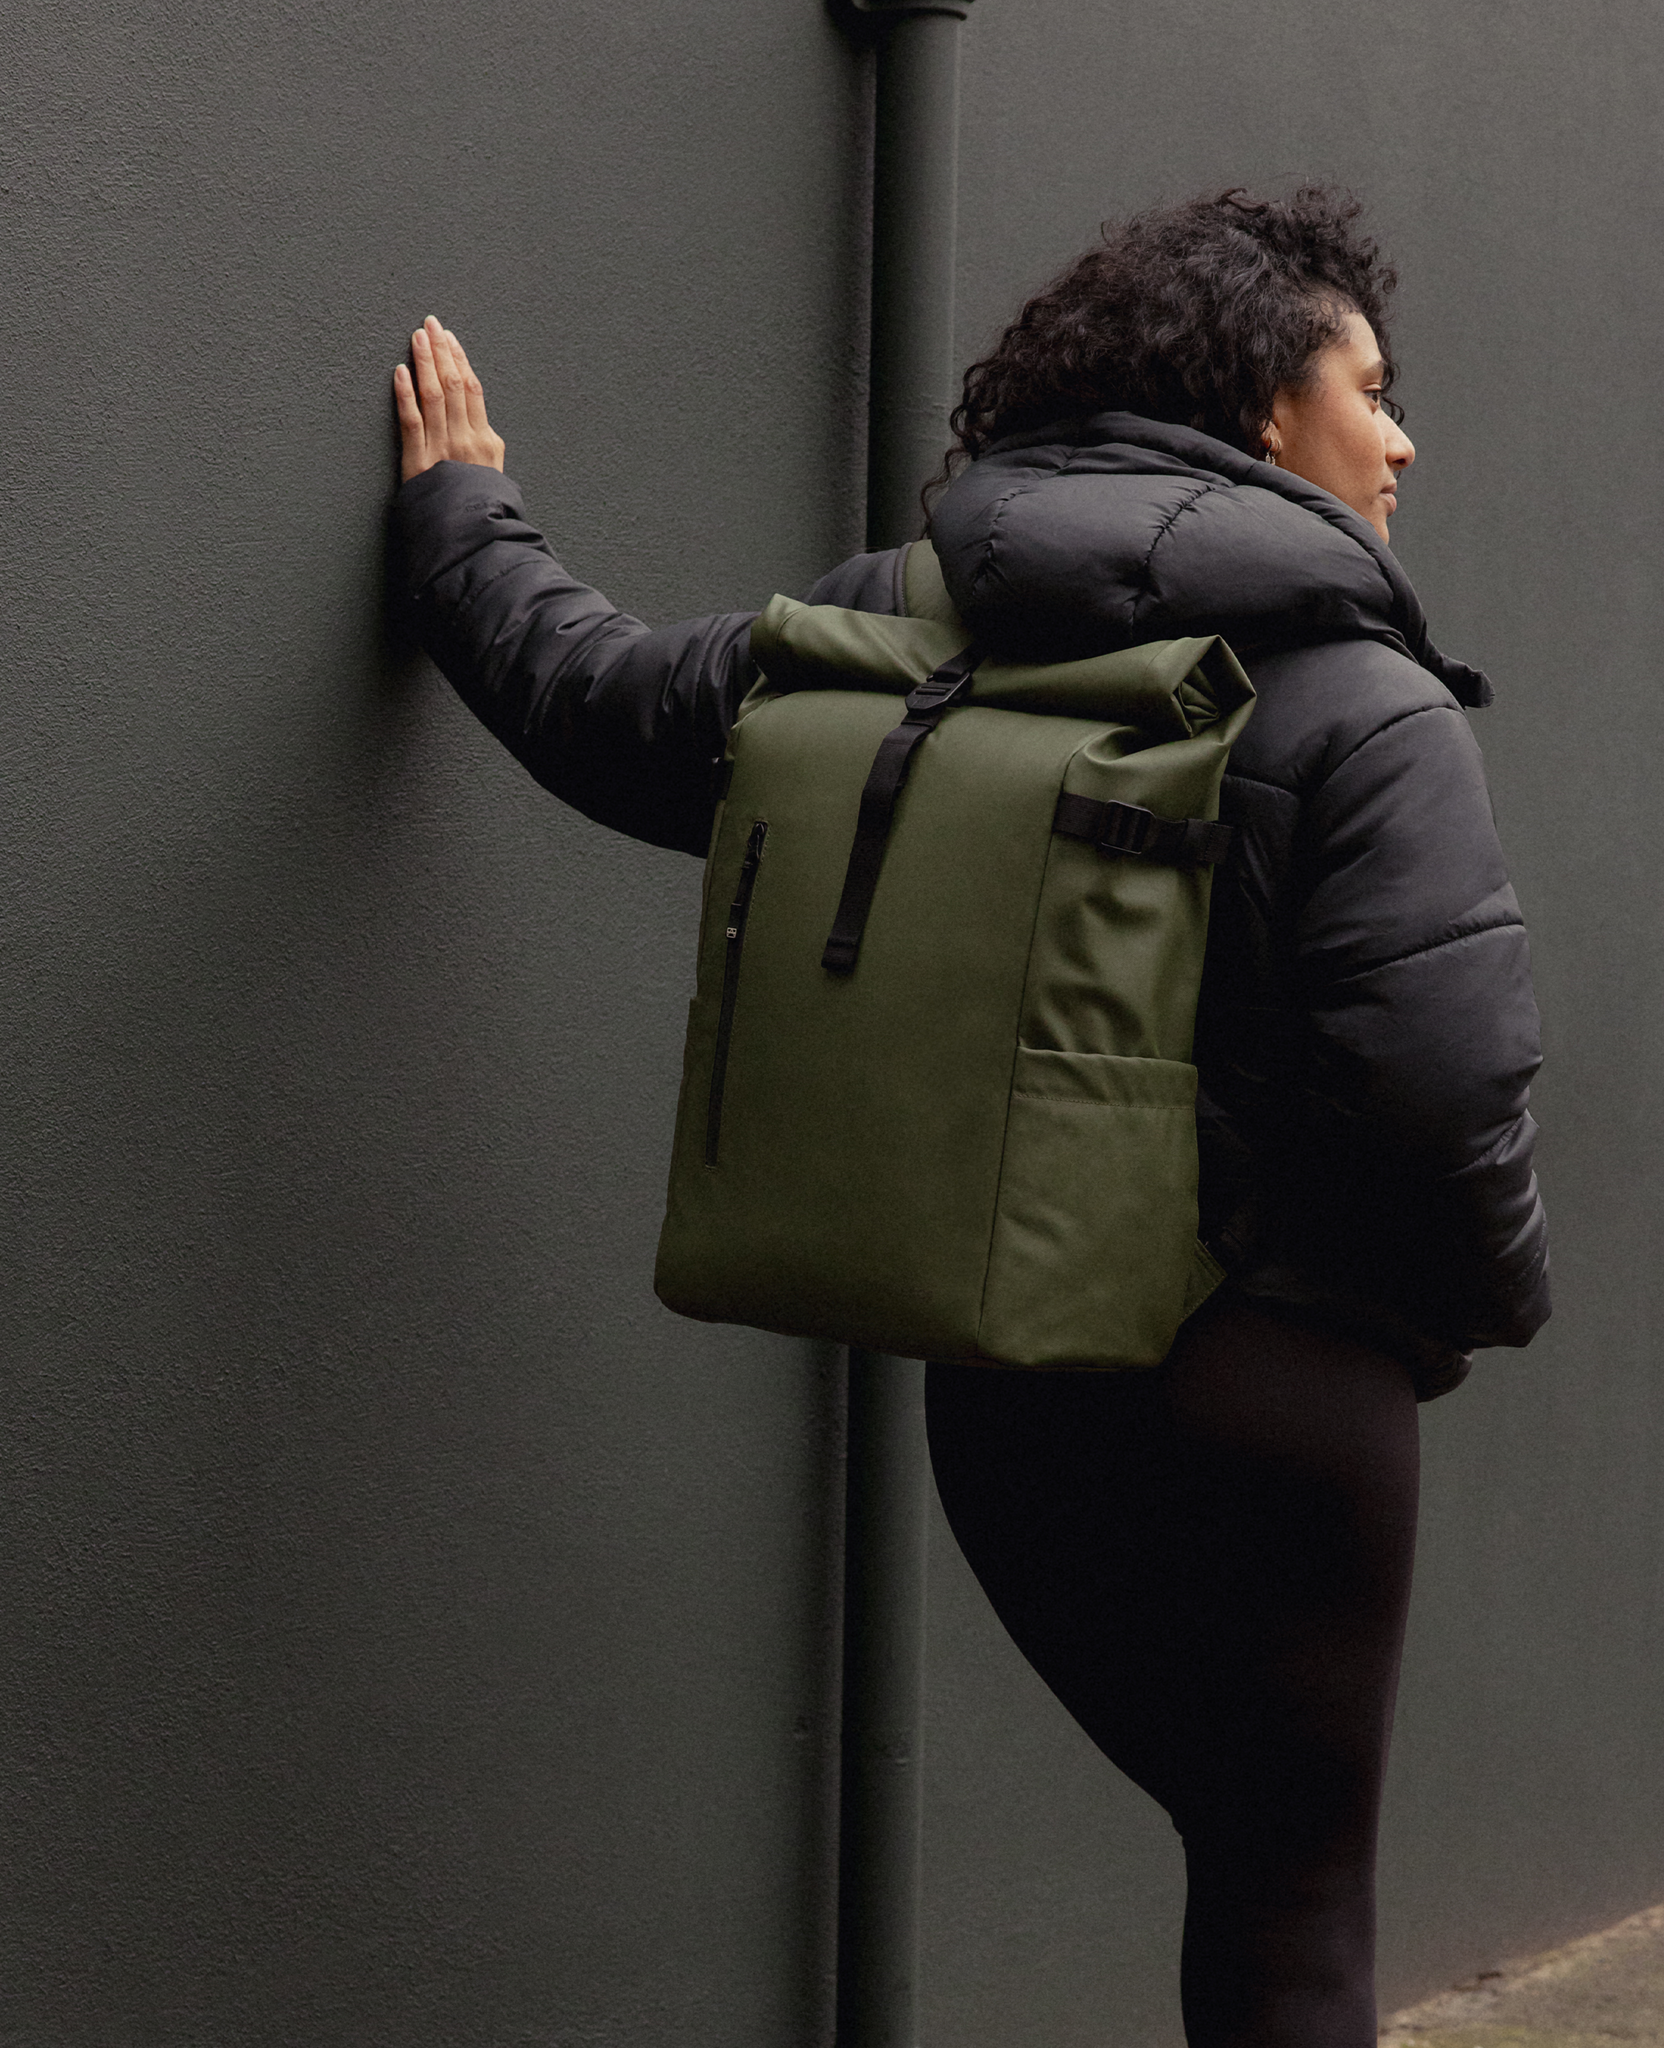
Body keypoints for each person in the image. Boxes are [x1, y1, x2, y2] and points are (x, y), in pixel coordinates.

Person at [389, 185, 1549, 2048]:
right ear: (1266, 410)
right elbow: (1445, 1082)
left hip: (999, 1381)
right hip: (1278, 1395)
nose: (1401, 436)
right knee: (1291, 1905)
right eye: (1372, 387)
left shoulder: (896, 617)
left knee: (1226, 1836)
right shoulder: (1368, 698)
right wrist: (1470, 1316)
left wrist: (459, 524)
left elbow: (601, 705)